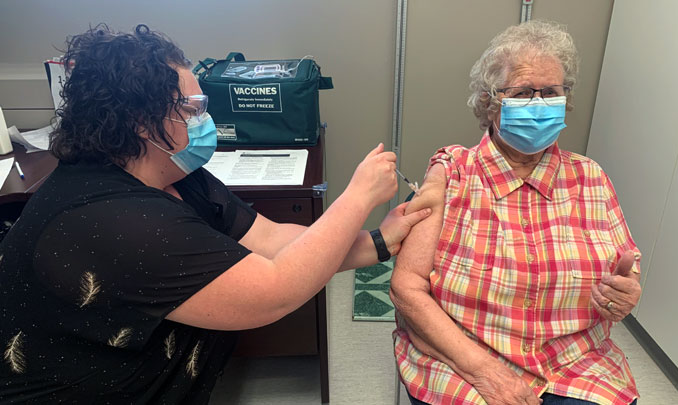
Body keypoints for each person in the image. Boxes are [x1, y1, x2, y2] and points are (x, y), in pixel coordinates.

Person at [0, 25, 430, 403]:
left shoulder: (175, 174)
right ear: (142, 123)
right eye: (191, 109)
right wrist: (357, 198)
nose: (204, 119)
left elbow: (274, 241)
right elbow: (275, 289)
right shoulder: (117, 223)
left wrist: (378, 241)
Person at [391, 20, 642, 405]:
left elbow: (626, 268)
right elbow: (407, 287)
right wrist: (484, 372)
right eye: (524, 92)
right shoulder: (453, 174)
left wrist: (622, 295)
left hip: (574, 363)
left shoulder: (590, 177)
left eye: (551, 93)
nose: (539, 105)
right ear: (492, 103)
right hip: (467, 358)